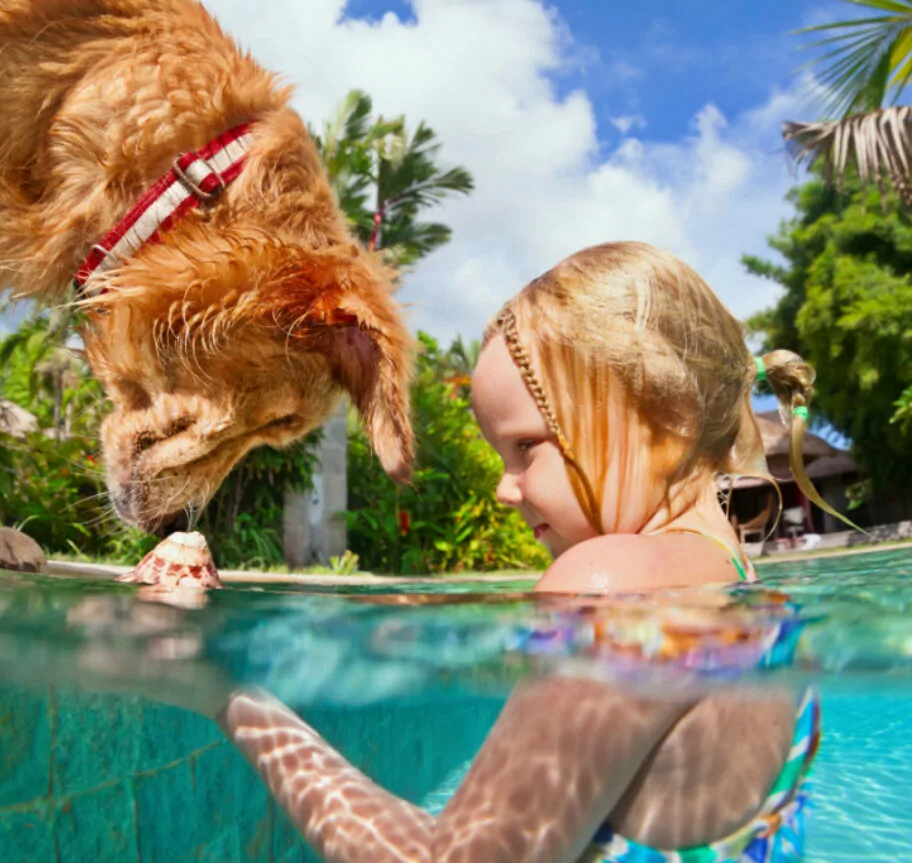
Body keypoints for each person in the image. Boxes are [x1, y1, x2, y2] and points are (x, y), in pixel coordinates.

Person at [181, 242, 829, 862]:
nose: (502, 485)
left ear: (667, 414)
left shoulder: (610, 582)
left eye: (526, 446)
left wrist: (229, 692)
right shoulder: (750, 586)